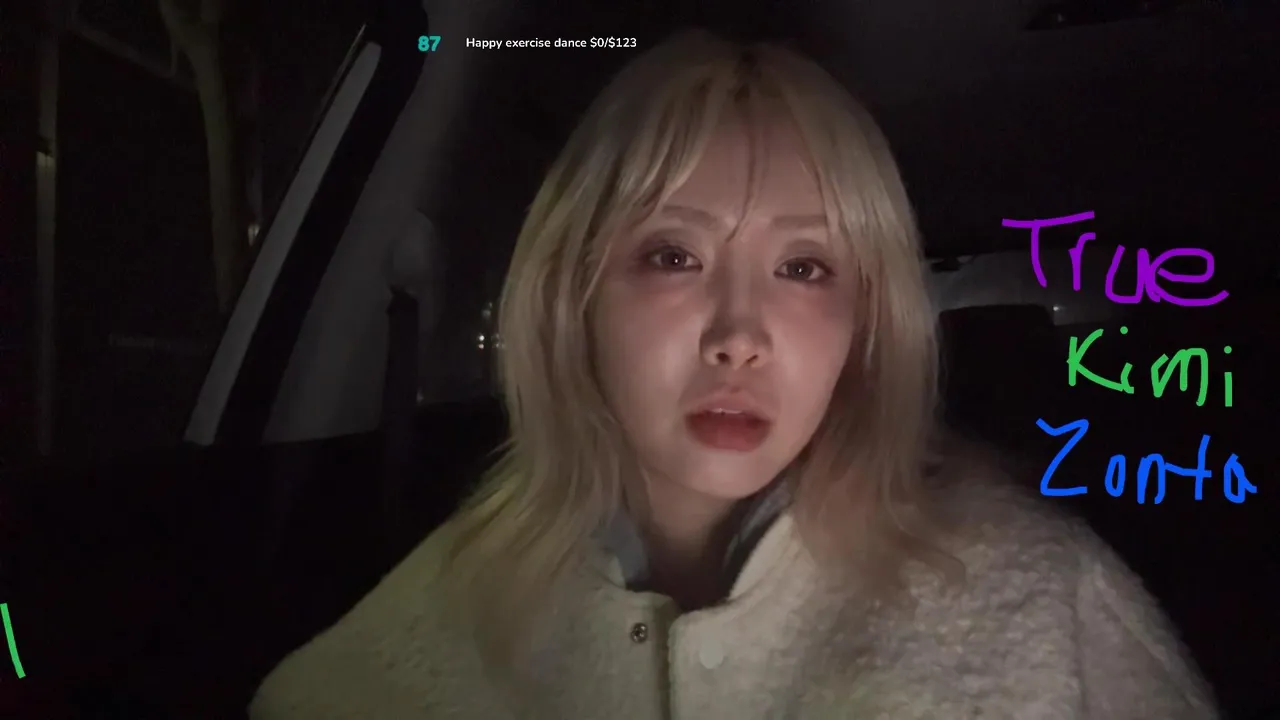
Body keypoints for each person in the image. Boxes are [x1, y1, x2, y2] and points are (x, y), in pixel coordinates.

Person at [249, 29, 1217, 719]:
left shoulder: (1043, 599)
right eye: (673, 255)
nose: (739, 336)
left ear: (862, 326)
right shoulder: (392, 656)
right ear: (573, 297)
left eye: (804, 268)